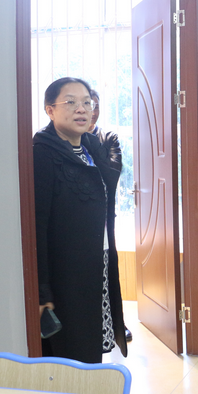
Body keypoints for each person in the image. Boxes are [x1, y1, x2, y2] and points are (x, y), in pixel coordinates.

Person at [34, 77, 128, 363]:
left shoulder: (91, 147)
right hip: (65, 274)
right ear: (50, 110)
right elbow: (37, 226)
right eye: (71, 102)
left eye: (87, 102)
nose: (82, 109)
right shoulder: (41, 153)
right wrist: (42, 290)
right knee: (71, 352)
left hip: (98, 261)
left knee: (91, 343)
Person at [88, 89, 132, 343]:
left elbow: (111, 175)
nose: (91, 111)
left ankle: (116, 323)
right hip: (75, 222)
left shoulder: (107, 138)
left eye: (94, 105)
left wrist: (87, 138)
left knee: (109, 270)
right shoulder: (58, 140)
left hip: (104, 217)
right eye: (86, 105)